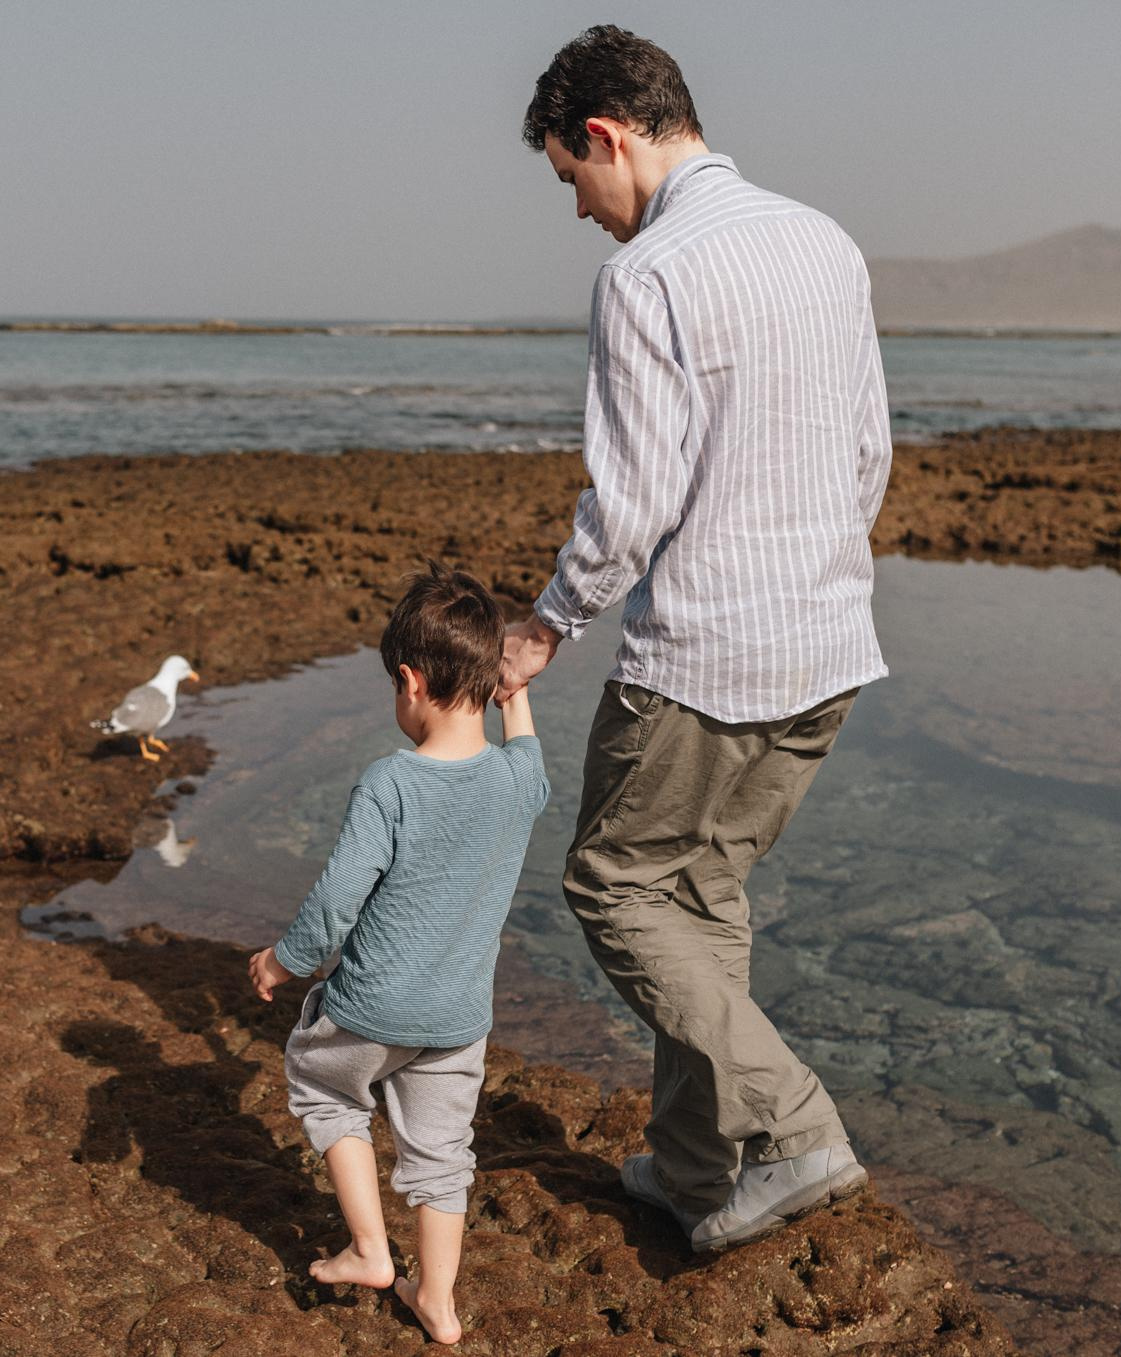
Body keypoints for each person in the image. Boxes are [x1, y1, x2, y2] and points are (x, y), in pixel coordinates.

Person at [498, 26, 892, 1254]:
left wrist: (548, 622)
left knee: (613, 888)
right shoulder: (824, 238)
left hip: (710, 658)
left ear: (608, 135)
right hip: (829, 647)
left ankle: (791, 1133)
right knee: (701, 896)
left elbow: (631, 504)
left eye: (572, 177)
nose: (580, 211)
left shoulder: (648, 275)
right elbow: (870, 451)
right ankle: (690, 1165)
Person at [248, 563, 549, 1346]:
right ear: (490, 680)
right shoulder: (520, 783)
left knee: (322, 1088)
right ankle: (440, 1304)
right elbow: (533, 764)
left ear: (410, 682)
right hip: (458, 1020)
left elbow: (336, 899)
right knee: (443, 1154)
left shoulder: (390, 783)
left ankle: (371, 1250)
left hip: (370, 1006)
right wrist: (516, 694)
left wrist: (284, 960)